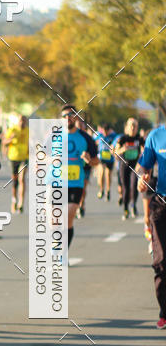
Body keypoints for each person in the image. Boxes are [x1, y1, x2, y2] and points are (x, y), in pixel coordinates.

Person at [137, 124, 166, 327]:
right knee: (162, 260)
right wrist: (142, 178)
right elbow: (144, 165)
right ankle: (165, 311)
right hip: (162, 203)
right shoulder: (156, 135)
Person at [62, 105, 98, 251]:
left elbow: (96, 161)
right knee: (54, 220)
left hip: (76, 182)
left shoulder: (85, 138)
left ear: (76, 117)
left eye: (71, 114)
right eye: (64, 115)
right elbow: (41, 155)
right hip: (55, 182)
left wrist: (89, 160)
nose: (67, 118)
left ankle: (61, 251)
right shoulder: (53, 136)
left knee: (68, 217)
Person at [115, 117, 142, 219]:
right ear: (127, 127)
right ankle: (125, 208)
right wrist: (123, 149)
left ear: (137, 128)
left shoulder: (139, 138)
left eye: (135, 126)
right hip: (124, 166)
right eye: (131, 125)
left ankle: (133, 205)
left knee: (134, 186)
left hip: (135, 167)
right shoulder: (122, 139)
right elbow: (115, 152)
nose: (133, 128)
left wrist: (142, 154)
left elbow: (144, 150)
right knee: (125, 188)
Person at [3, 114, 29, 212]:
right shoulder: (12, 130)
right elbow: (4, 142)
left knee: (22, 179)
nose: (22, 122)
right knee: (15, 181)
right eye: (20, 120)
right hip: (14, 158)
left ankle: (21, 203)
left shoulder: (28, 131)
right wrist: (11, 138)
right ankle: (14, 200)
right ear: (17, 121)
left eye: (24, 120)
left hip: (24, 158)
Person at [94, 123, 115, 200]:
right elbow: (92, 140)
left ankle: (108, 190)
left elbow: (117, 141)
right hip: (101, 158)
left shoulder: (113, 136)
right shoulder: (99, 135)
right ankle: (101, 189)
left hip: (110, 158)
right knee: (101, 173)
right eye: (104, 131)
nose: (105, 133)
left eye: (107, 132)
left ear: (110, 130)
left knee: (108, 174)